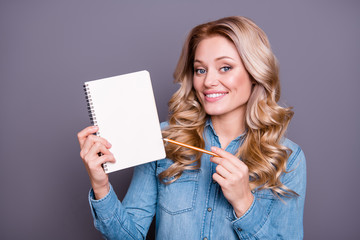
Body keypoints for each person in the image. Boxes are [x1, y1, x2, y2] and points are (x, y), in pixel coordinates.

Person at [77, 16, 306, 240]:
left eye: (225, 67)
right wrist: (101, 186)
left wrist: (244, 202)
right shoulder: (163, 140)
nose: (208, 82)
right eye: (200, 70)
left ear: (254, 74)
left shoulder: (288, 159)